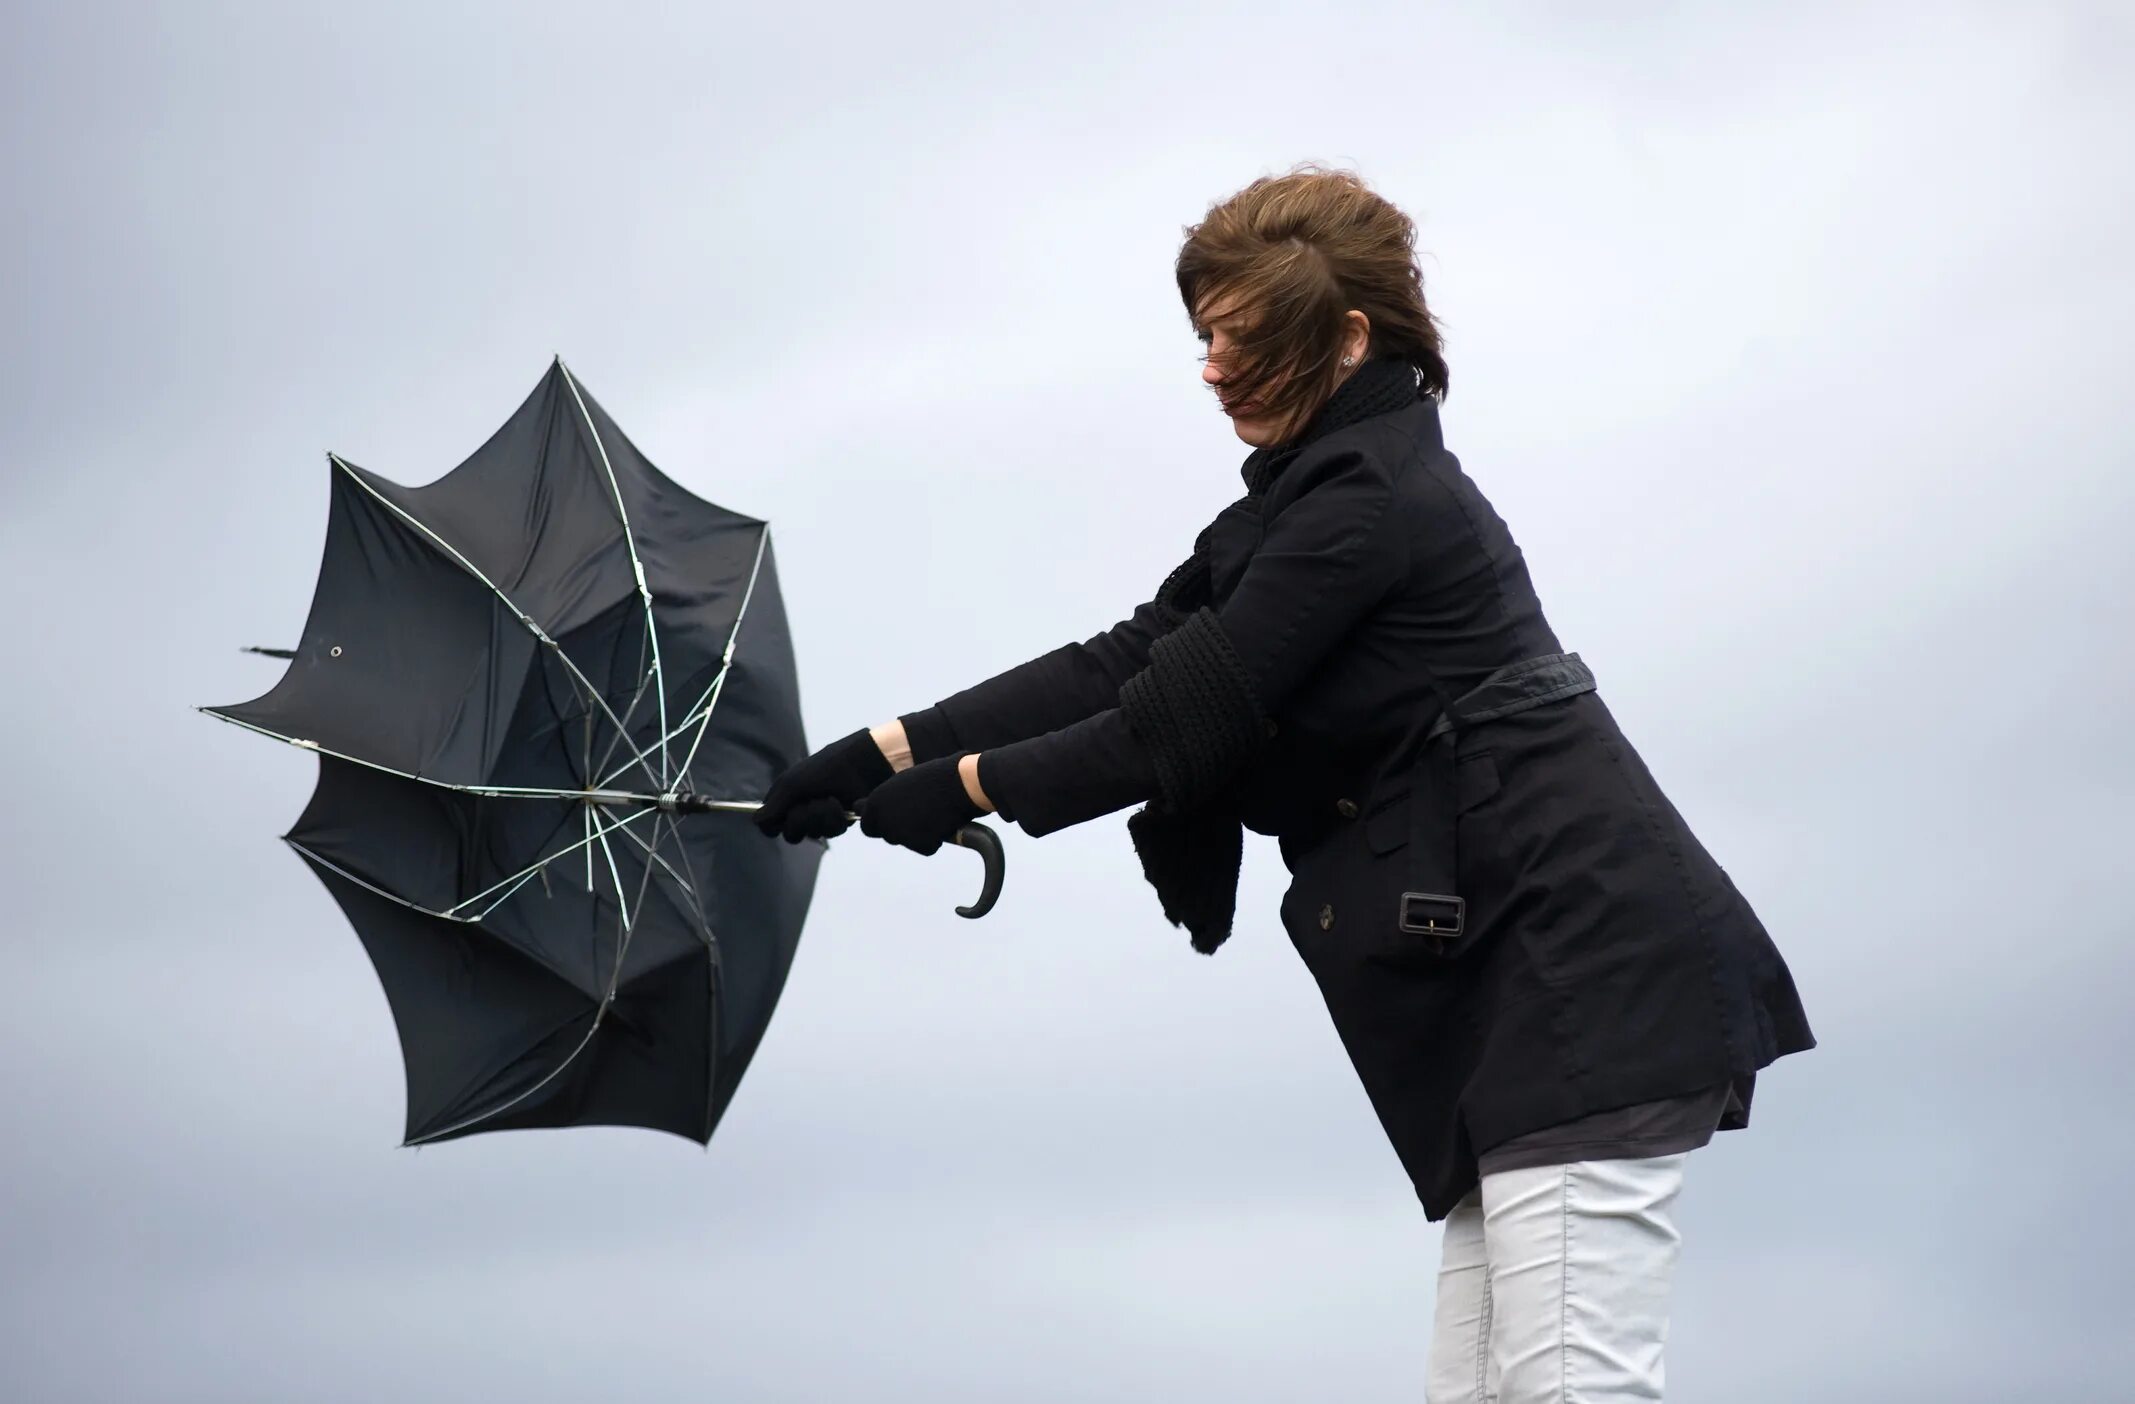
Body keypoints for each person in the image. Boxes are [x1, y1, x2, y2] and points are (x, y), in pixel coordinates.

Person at [754, 164, 1813, 1403]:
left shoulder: (1371, 504)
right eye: (1202, 337)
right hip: (1512, 1000)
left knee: (1571, 1389)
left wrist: (965, 790)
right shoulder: (1306, 503)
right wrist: (887, 751)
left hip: (1580, 980)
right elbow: (1133, 657)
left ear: (1348, 336)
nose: (1209, 367)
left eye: (1240, 337)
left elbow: (1174, 723)